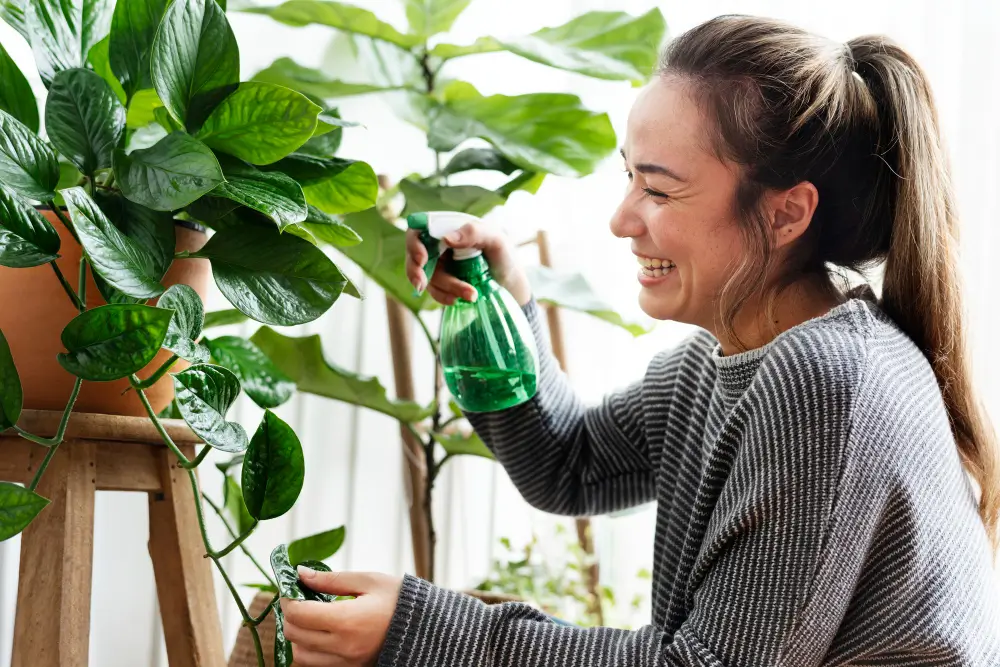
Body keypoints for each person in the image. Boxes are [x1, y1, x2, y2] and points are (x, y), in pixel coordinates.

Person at [277, 15, 1000, 666]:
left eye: (658, 189)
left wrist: (422, 628)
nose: (623, 218)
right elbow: (567, 464)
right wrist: (503, 303)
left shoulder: (830, 382)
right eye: (630, 177)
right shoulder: (718, 362)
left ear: (786, 215)